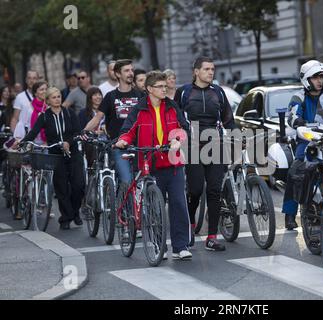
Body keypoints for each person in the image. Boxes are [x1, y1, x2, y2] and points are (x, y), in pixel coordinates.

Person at [116, 70, 191, 260]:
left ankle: (180, 246)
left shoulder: (172, 106)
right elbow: (128, 130)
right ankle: (159, 246)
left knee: (178, 204)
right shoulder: (139, 109)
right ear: (149, 89)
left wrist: (177, 140)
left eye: (165, 86)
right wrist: (123, 140)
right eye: (160, 87)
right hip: (150, 163)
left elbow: (183, 128)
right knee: (155, 207)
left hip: (173, 162)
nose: (164, 89)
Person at [174, 56, 236, 252]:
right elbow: (174, 117)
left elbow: (228, 118)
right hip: (191, 146)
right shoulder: (183, 92)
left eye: (213, 69)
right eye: (207, 69)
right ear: (196, 71)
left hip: (215, 146)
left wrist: (236, 137)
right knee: (195, 190)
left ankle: (211, 237)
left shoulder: (218, 92)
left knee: (215, 191)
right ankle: (190, 226)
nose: (211, 72)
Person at [14, 87, 85, 230]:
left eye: (59, 96)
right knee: (61, 188)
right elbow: (33, 132)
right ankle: (65, 218)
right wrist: (21, 142)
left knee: (78, 185)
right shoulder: (44, 116)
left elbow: (78, 132)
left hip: (73, 153)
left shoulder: (69, 113)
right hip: (55, 155)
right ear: (47, 100)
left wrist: (68, 142)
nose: (57, 99)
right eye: (54, 97)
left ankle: (75, 212)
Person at [282, 60, 323, 230]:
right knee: (295, 172)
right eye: (315, 77)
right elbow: (292, 115)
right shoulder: (299, 97)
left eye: (322, 77)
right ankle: (290, 214)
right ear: (306, 79)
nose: (319, 81)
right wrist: (299, 122)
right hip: (307, 140)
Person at [83, 59, 143, 184]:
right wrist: (84, 131)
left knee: (141, 183)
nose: (131, 73)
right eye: (126, 71)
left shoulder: (141, 95)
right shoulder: (110, 96)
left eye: (132, 70)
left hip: (140, 146)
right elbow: (97, 118)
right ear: (118, 74)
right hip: (118, 146)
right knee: (126, 181)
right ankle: (122, 202)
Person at [10, 70, 39, 134]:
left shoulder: (43, 97)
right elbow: (15, 118)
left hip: (40, 137)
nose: (32, 81)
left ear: (37, 80)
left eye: (34, 78)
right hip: (24, 135)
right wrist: (15, 136)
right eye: (29, 78)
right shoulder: (20, 97)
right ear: (26, 80)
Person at [29, 81, 49, 145]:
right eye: (41, 89)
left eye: (46, 89)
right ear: (35, 93)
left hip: (46, 144)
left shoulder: (49, 107)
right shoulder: (29, 107)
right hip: (31, 143)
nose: (45, 91)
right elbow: (23, 124)